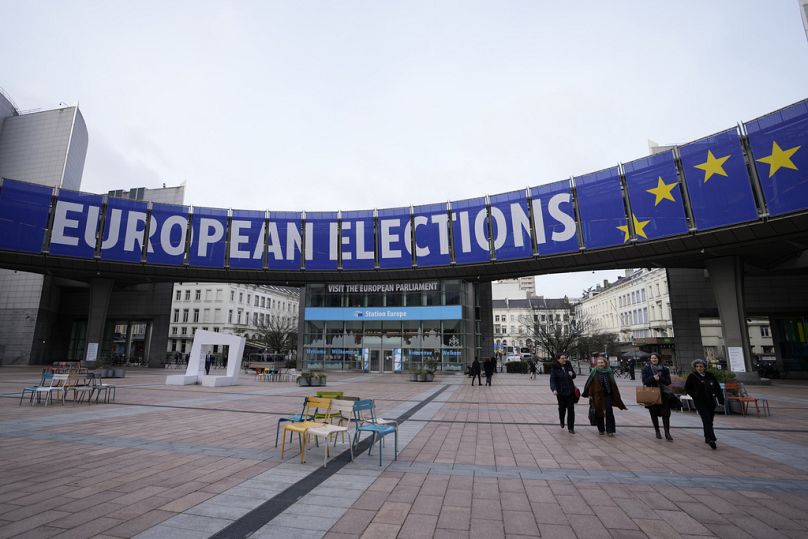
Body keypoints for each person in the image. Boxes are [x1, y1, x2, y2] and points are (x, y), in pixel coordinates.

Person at [582, 354, 627, 436]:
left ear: (605, 363)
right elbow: (590, 384)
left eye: (602, 362)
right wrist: (590, 395)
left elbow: (613, 384)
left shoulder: (609, 371)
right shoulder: (594, 371)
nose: (600, 364)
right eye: (599, 363)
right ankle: (601, 429)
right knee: (599, 412)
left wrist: (615, 394)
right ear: (597, 364)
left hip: (607, 394)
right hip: (597, 395)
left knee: (609, 411)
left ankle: (610, 430)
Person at [685, 359, 724, 450]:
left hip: (711, 401)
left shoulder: (710, 375)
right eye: (697, 366)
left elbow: (717, 388)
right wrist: (695, 395)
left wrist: (721, 399)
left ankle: (707, 436)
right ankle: (711, 439)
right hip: (700, 402)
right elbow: (687, 388)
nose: (699, 368)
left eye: (701, 366)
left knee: (710, 419)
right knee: (706, 419)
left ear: (704, 367)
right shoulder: (692, 376)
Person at [641, 353, 674, 441]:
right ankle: (657, 431)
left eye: (655, 358)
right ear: (650, 359)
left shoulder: (665, 369)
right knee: (653, 413)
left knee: (666, 414)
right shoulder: (646, 369)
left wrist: (660, 378)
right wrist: (653, 378)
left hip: (664, 394)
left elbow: (668, 382)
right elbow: (645, 382)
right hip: (652, 393)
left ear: (659, 359)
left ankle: (667, 432)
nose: (654, 359)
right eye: (652, 358)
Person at [550, 354, 577, 434]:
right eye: (562, 358)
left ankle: (571, 428)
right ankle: (562, 420)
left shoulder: (568, 366)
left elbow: (574, 376)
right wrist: (554, 389)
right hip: (560, 392)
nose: (565, 359)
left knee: (571, 409)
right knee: (562, 408)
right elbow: (552, 380)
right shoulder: (555, 368)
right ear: (558, 359)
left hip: (570, 391)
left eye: (565, 358)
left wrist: (572, 374)